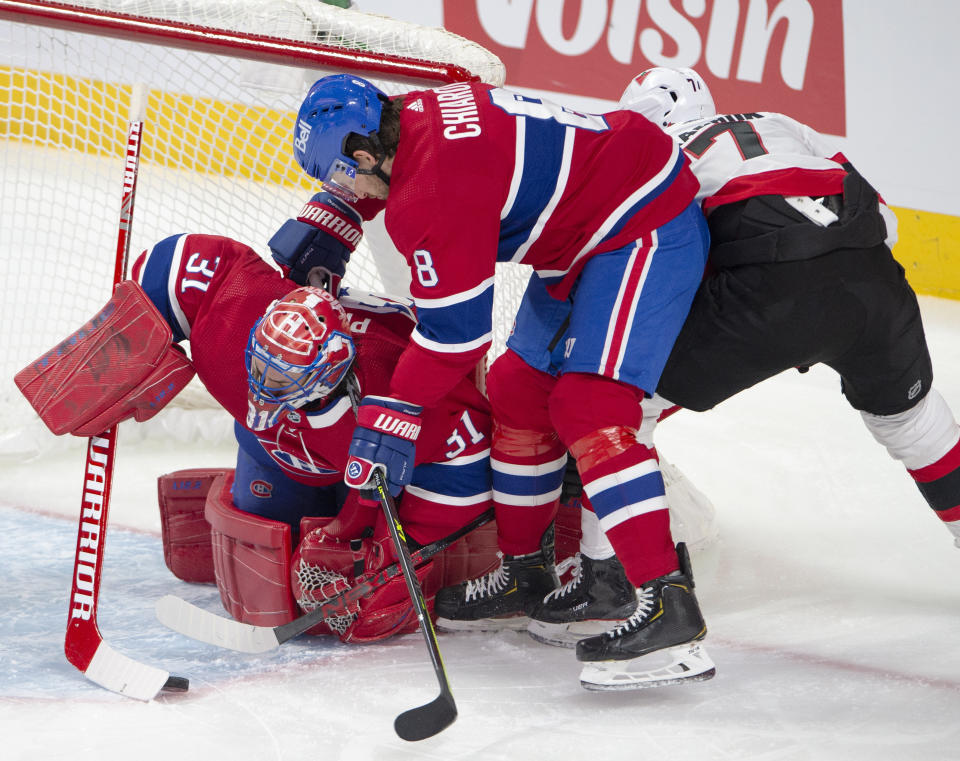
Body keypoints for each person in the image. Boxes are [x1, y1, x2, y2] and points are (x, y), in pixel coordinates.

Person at [523, 66, 960, 673]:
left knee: (614, 410)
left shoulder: (653, 154)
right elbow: (883, 219)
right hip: (871, 281)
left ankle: (615, 585)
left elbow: (656, 267)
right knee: (914, 424)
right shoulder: (779, 122)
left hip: (765, 286)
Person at [291, 73, 715, 689]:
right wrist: (332, 215)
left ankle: (667, 602)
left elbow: (457, 338)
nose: (341, 188)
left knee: (591, 408)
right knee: (518, 389)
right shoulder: (411, 113)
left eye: (337, 178)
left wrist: (391, 416)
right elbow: (399, 176)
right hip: (586, 225)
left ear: (364, 153)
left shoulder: (432, 193)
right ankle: (525, 571)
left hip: (643, 221)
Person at [17, 193, 499, 643]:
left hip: (366, 476)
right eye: (261, 369)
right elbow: (175, 263)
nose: (265, 394)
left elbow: (468, 448)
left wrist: (400, 550)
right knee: (263, 580)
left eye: (286, 386)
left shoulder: (394, 384)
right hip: (275, 460)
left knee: (362, 590)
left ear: (331, 374)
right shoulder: (231, 312)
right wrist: (126, 341)